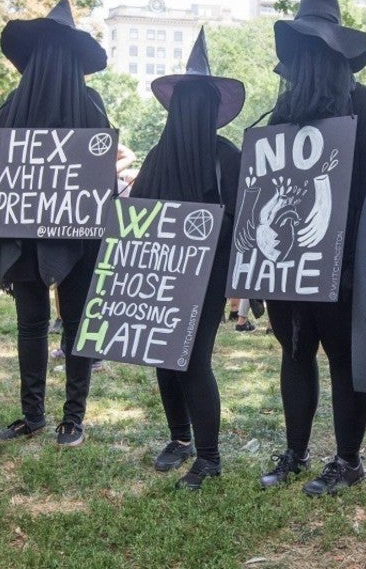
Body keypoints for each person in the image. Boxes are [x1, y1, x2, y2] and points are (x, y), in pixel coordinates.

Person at [254, 0, 366, 497]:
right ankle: (295, 449)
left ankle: (348, 459)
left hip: (345, 262)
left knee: (338, 356)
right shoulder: (281, 113)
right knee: (294, 350)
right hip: (289, 262)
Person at [0, 0, 108, 447]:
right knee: (62, 323)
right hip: (34, 232)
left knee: (42, 323)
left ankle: (60, 415)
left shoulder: (17, 107)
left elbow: (100, 173)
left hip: (69, 232)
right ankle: (47, 416)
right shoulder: (17, 107)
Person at [134, 28, 243, 489]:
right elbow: (135, 216)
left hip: (209, 276)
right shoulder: (157, 156)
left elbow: (243, 221)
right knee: (163, 353)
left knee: (194, 359)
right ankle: (179, 438)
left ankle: (210, 456)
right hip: (162, 274)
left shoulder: (227, 157)